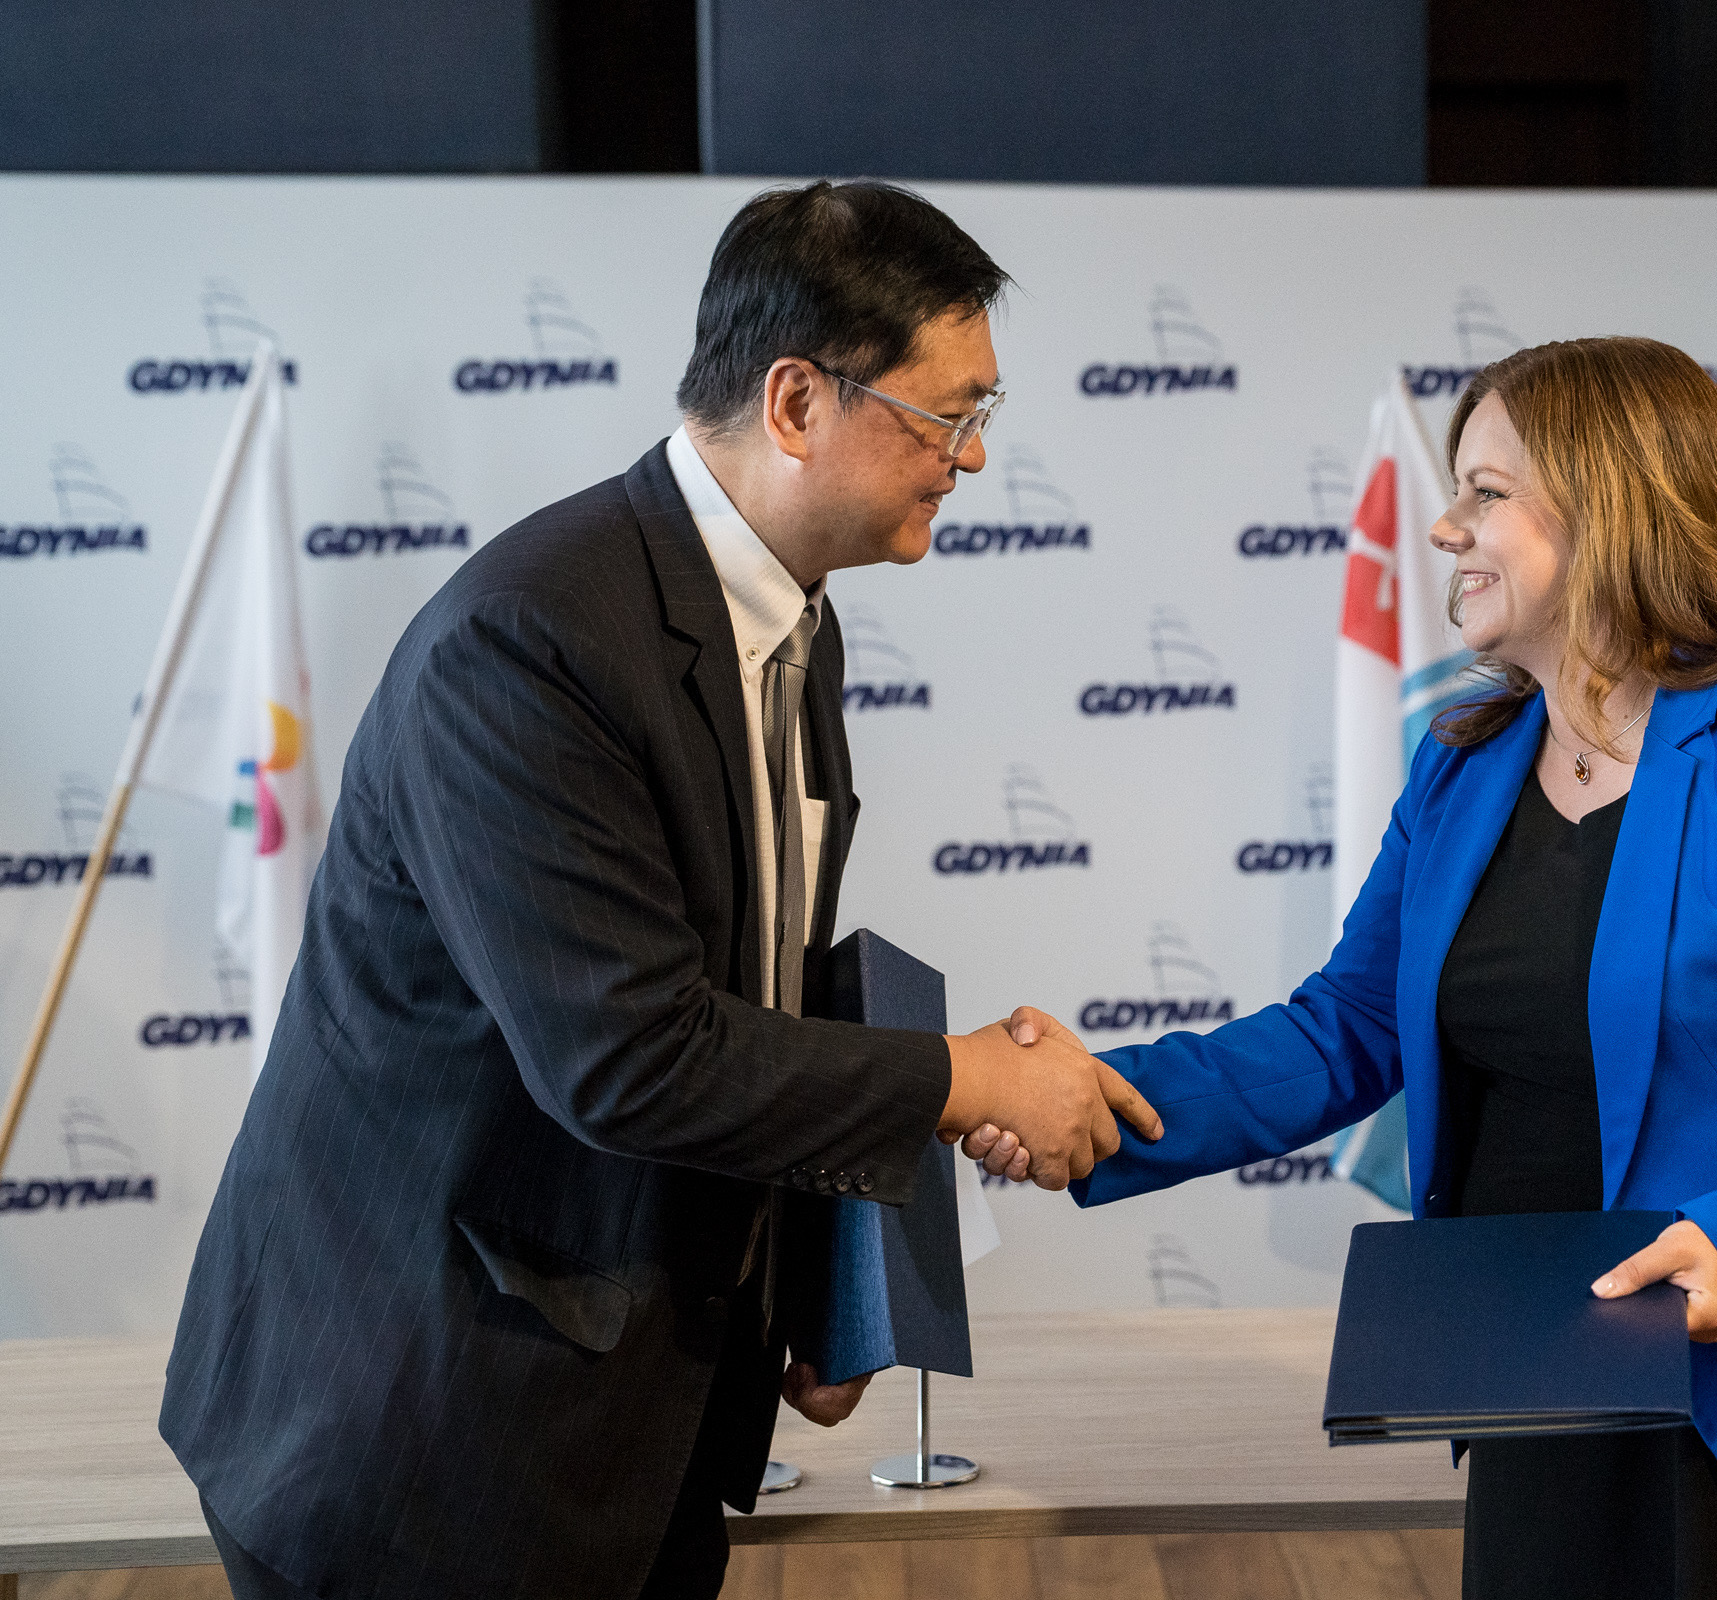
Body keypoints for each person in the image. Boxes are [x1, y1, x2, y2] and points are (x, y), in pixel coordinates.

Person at [160, 181, 1160, 1600]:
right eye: (949, 417)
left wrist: (811, 1286)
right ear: (799, 401)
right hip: (419, 1437)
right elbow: (630, 1058)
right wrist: (966, 1080)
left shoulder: (793, 622)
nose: (975, 459)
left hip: (639, 1414)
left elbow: (755, 984)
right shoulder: (529, 646)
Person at [1057, 337, 1717, 1599]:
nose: (1442, 526)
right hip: (1542, 1387)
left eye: (1485, 493)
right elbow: (1348, 1028)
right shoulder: (1463, 764)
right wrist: (1094, 1105)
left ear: (1613, 505)